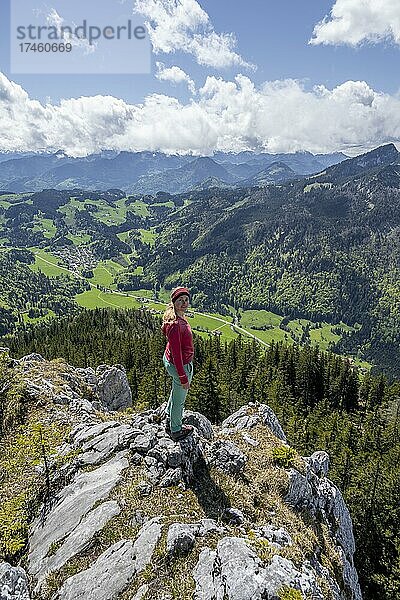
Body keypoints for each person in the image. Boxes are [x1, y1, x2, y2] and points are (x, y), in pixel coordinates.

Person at [162, 286, 194, 441]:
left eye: (186, 300)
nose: (184, 303)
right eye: (180, 300)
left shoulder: (177, 318)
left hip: (173, 363)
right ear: (173, 302)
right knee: (179, 401)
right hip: (179, 366)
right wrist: (183, 376)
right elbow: (176, 353)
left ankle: (169, 419)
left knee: (175, 393)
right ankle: (176, 429)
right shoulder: (176, 324)